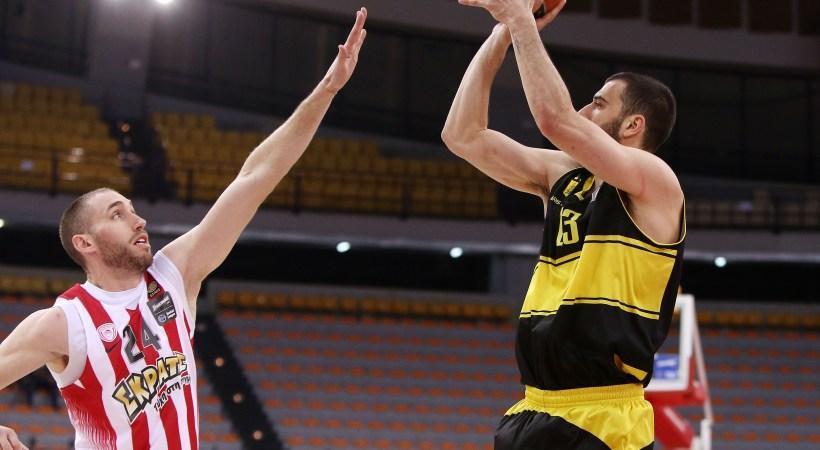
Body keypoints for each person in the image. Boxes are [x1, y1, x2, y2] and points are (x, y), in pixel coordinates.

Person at [0, 8, 368, 449]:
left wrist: (327, 89)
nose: (138, 220)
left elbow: (255, 177)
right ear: (85, 243)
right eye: (117, 214)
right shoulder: (63, 323)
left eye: (133, 210)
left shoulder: (174, 275)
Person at [443, 1, 684, 449]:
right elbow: (462, 135)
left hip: (603, 416)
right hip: (534, 407)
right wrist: (503, 32)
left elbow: (555, 119)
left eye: (599, 103)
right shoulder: (564, 174)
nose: (585, 109)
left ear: (633, 124)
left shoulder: (655, 180)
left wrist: (519, 17)